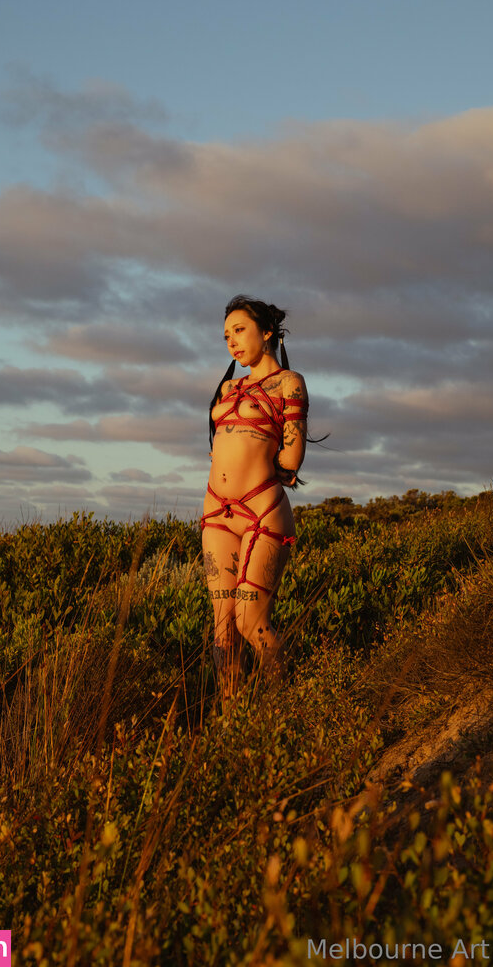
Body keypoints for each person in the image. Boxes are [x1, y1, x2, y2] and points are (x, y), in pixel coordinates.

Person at [202, 294, 308, 705]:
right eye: (226, 335)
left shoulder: (289, 383)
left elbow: (292, 458)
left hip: (262, 511)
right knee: (223, 627)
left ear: (266, 333)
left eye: (239, 330)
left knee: (250, 621)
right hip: (216, 512)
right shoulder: (229, 387)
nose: (231, 341)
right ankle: (234, 722)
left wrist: (255, 461)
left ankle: (282, 709)